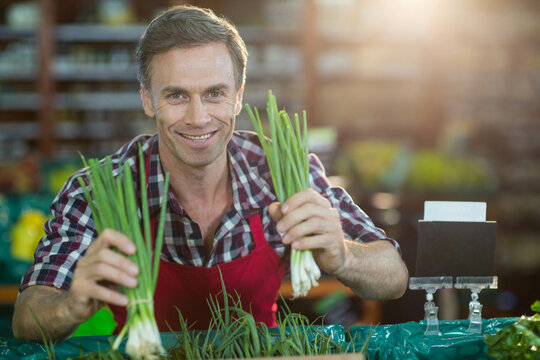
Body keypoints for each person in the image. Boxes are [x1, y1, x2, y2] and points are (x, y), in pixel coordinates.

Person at [12, 5, 408, 342]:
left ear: (238, 97)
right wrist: (71, 304)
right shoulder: (96, 189)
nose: (198, 118)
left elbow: (395, 277)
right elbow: (26, 318)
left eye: (215, 93)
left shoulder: (283, 173)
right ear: (148, 99)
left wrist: (344, 256)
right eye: (177, 95)